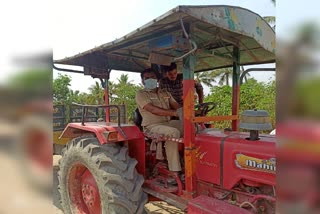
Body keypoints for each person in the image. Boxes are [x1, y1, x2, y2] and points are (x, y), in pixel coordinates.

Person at [135, 68, 183, 173]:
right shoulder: (141, 94)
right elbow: (152, 109)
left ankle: (190, 159)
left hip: (167, 122)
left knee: (192, 127)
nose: (150, 79)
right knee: (173, 132)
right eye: (147, 78)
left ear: (157, 79)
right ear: (143, 81)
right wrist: (174, 113)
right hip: (152, 126)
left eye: (152, 77)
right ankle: (174, 170)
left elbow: (177, 106)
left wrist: (186, 111)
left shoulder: (164, 92)